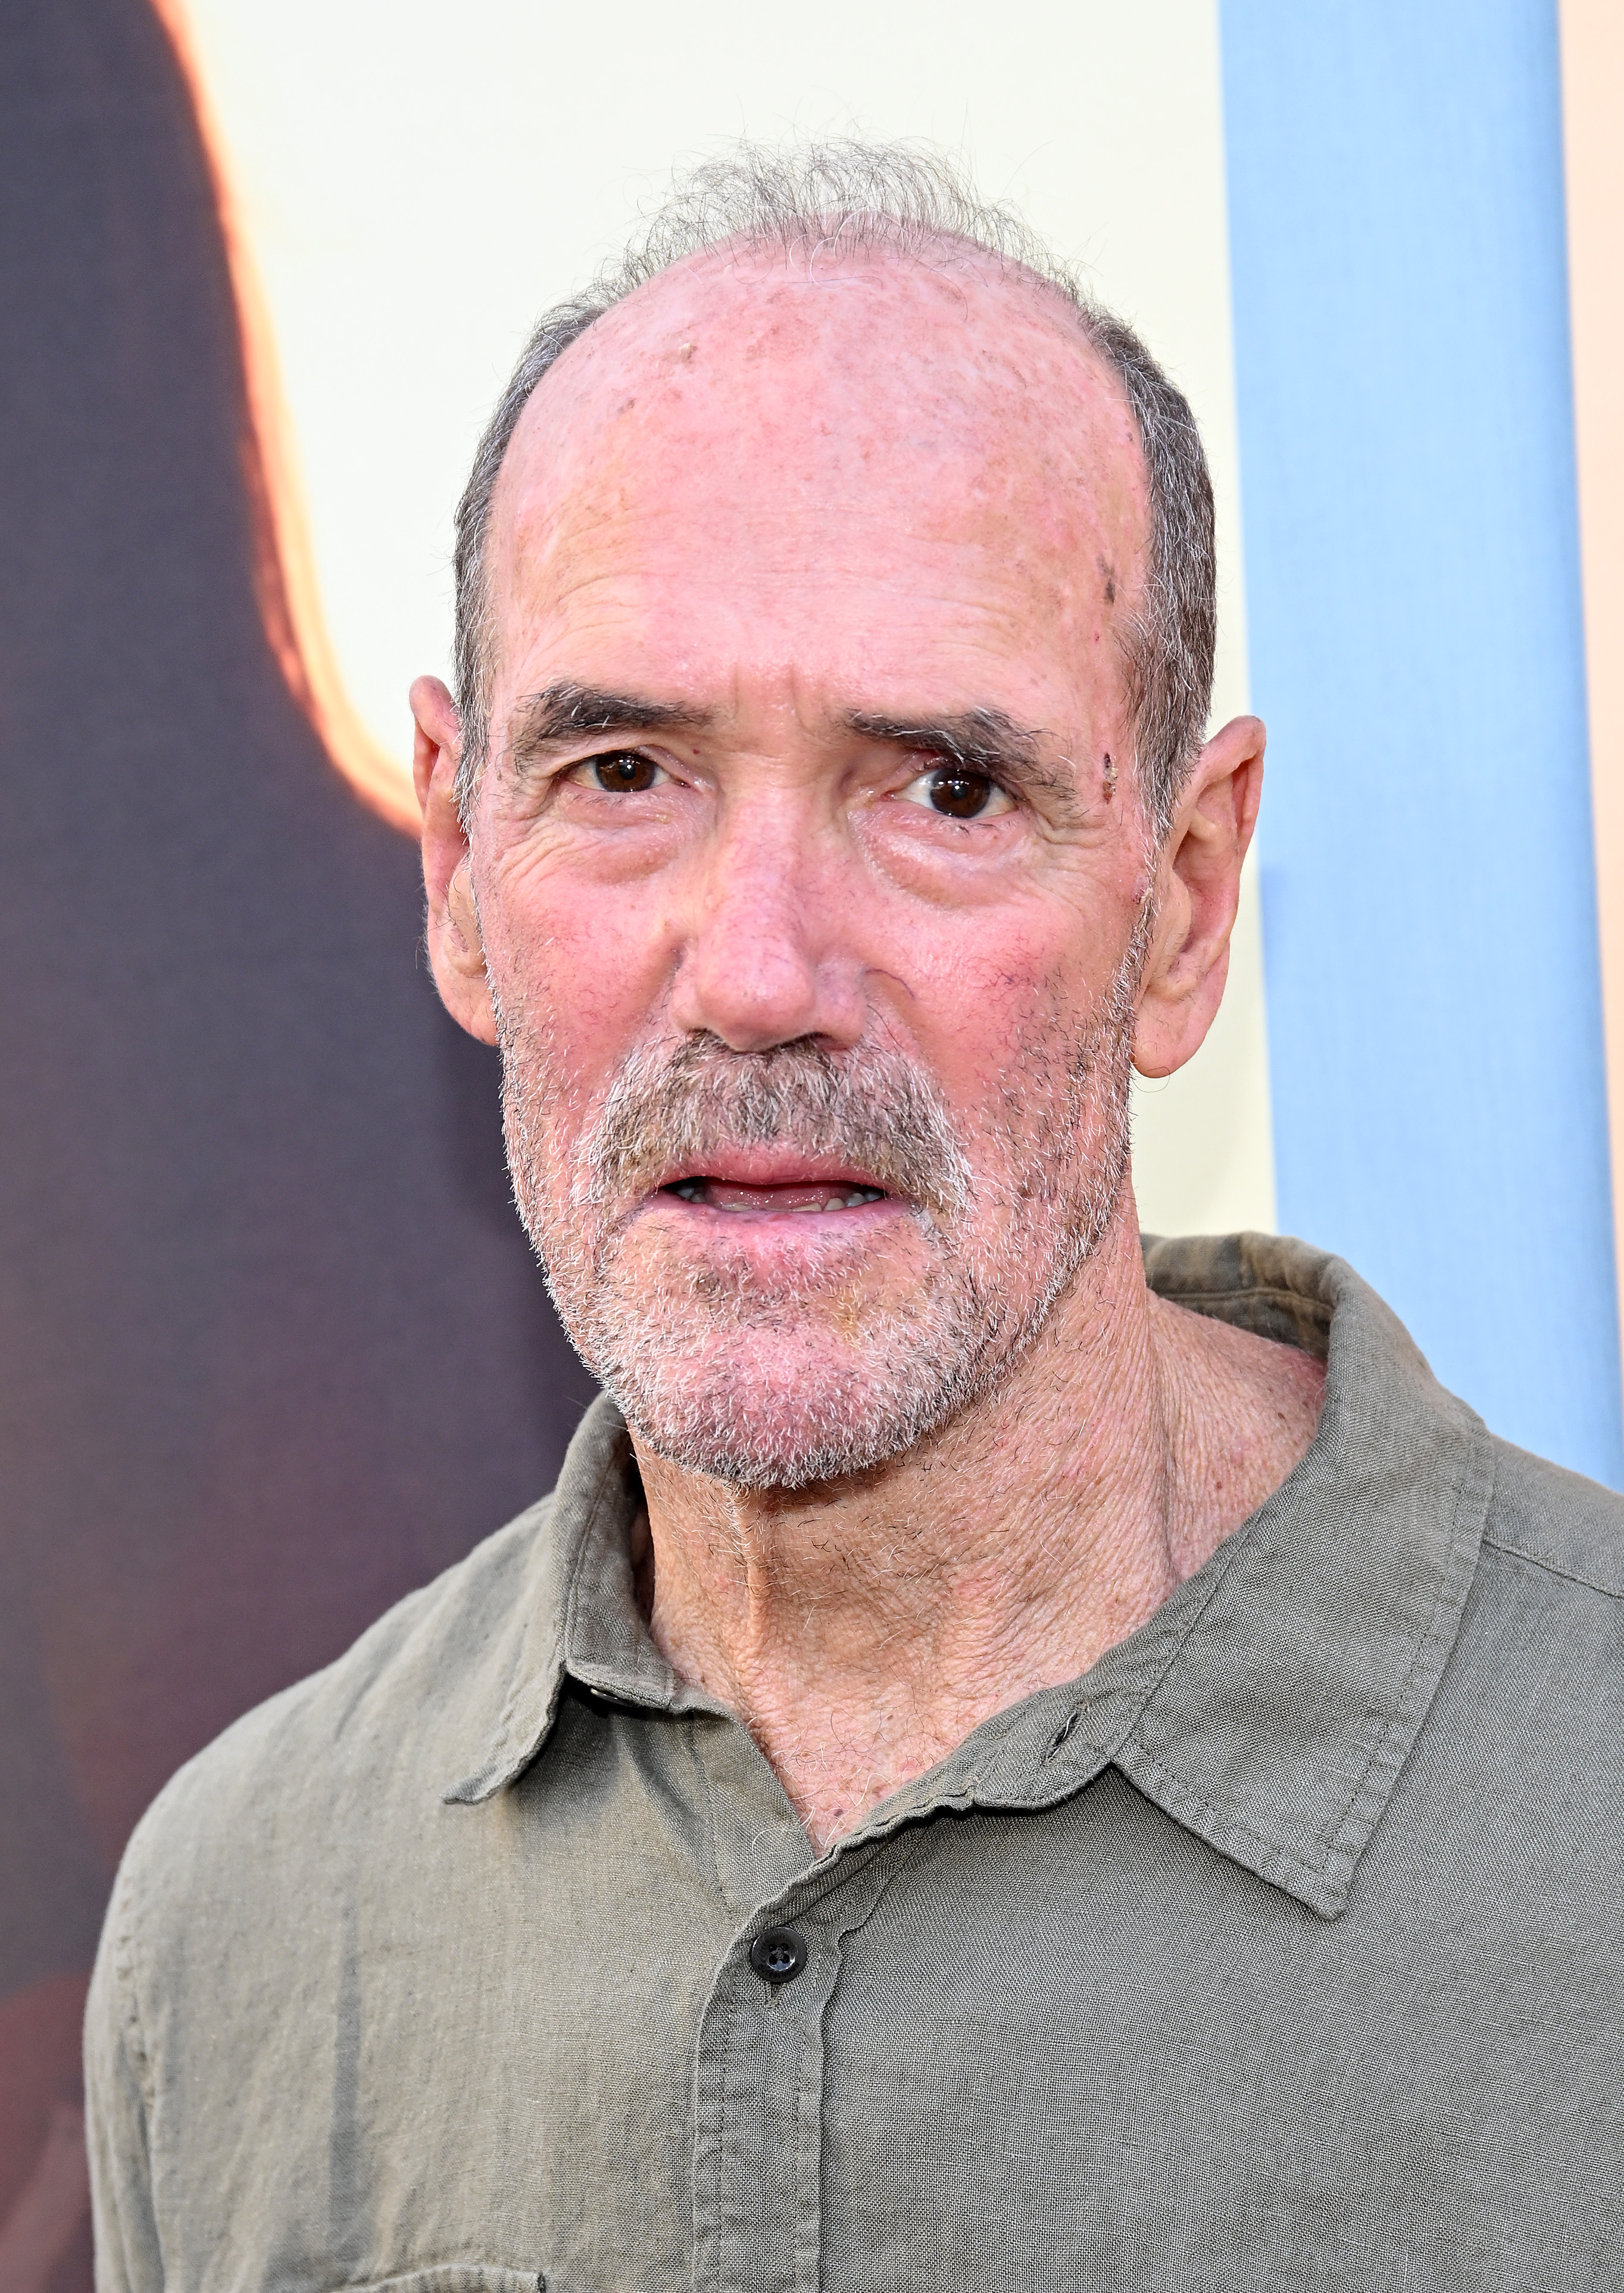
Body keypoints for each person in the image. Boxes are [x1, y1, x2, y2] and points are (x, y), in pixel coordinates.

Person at [86, 144, 1624, 2292]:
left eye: (946, 787)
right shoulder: (244, 1925)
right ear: (455, 868)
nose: (760, 969)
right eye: (624, 771)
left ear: (1183, 903)